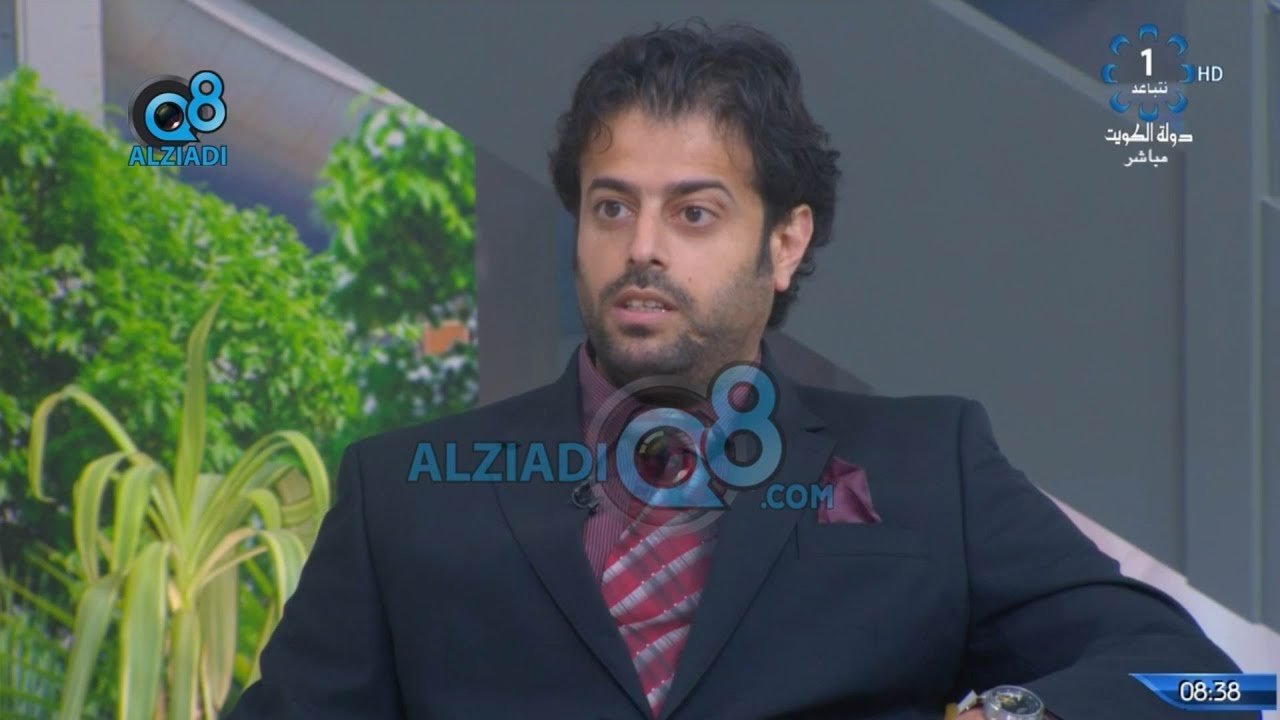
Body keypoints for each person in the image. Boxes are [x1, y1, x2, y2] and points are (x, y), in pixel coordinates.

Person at [225, 19, 1253, 720]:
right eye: (611, 206)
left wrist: (1009, 715)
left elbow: (1191, 682)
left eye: (694, 212)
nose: (641, 248)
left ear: (785, 242)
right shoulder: (404, 492)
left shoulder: (929, 466)